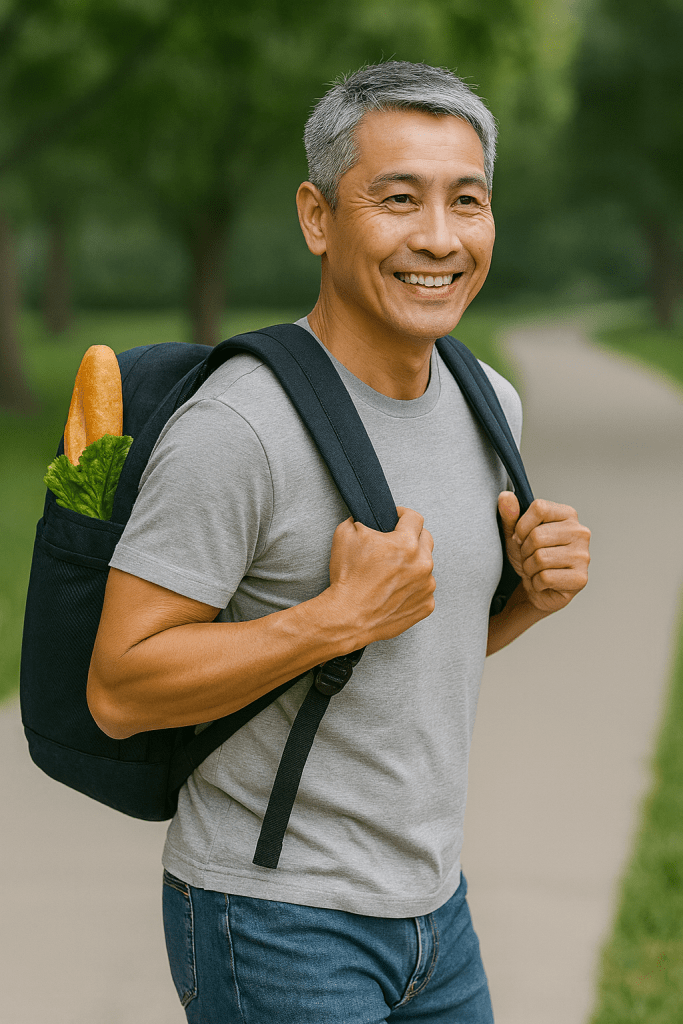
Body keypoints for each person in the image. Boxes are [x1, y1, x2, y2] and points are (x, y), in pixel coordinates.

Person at [88, 61, 590, 1023]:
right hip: (274, 920)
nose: (438, 238)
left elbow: (410, 652)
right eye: (397, 199)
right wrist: (334, 618)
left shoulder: (489, 402)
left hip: (434, 909)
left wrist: (524, 595)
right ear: (317, 218)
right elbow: (119, 688)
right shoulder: (240, 427)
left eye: (466, 201)